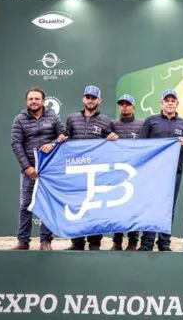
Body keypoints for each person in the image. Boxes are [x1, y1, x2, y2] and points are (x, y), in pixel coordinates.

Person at [137, 89, 183, 252]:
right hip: (153, 172)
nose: (170, 103)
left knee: (169, 207)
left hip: (174, 172)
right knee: (151, 205)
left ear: (177, 103)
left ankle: (164, 243)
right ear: (161, 103)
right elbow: (142, 145)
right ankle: (147, 243)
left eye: (173, 100)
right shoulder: (151, 121)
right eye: (167, 100)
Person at [10, 86, 66, 250]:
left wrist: (53, 143)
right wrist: (27, 167)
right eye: (31, 99)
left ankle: (45, 241)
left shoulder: (53, 116)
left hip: (49, 170)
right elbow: (16, 144)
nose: (34, 101)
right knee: (26, 205)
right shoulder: (19, 119)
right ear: (27, 101)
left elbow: (64, 135)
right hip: (30, 171)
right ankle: (23, 241)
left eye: (37, 99)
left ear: (43, 101)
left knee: (47, 204)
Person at [64, 85, 118, 251]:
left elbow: (113, 144)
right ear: (83, 99)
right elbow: (66, 140)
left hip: (96, 172)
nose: (90, 100)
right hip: (76, 171)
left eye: (94, 98)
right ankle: (77, 242)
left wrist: (114, 137)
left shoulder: (106, 121)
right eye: (88, 97)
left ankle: (95, 243)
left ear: (99, 100)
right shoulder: (72, 118)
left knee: (95, 207)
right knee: (76, 205)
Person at [109, 94, 143, 251]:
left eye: (127, 104)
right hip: (117, 172)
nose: (124, 106)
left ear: (133, 107)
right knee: (117, 205)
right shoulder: (112, 125)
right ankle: (116, 241)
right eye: (122, 104)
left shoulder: (142, 125)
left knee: (134, 206)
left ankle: (132, 241)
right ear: (118, 107)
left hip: (137, 172)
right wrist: (108, 137)